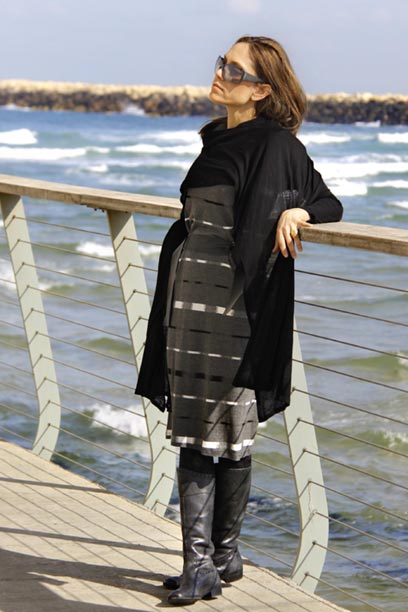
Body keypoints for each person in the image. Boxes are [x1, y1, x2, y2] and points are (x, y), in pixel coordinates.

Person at [135, 35, 343, 605]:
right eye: (222, 64)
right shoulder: (215, 138)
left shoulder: (276, 145)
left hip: (237, 307)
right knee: (198, 430)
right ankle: (214, 559)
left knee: (222, 431)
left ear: (261, 90)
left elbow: (329, 201)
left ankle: (210, 559)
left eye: (234, 69)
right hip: (187, 300)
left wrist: (299, 211)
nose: (220, 73)